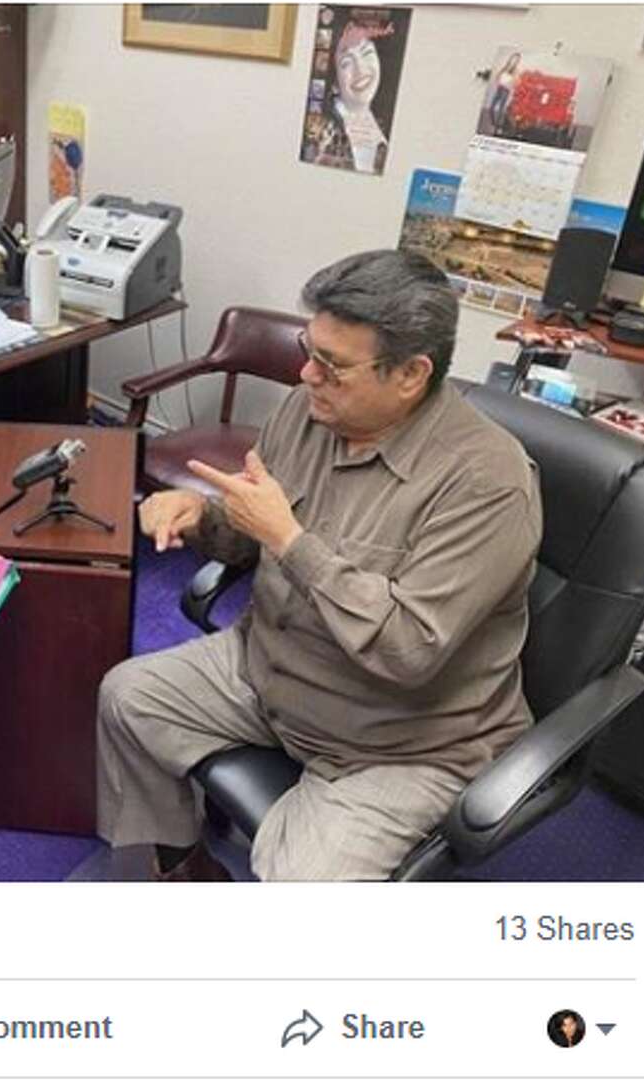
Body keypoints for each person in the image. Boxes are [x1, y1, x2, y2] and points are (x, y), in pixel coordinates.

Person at [97, 249, 541, 881]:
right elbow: (247, 536)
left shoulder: (489, 484)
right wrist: (201, 516)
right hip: (274, 668)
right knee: (128, 698)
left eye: (331, 365)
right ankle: (185, 865)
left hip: (399, 741)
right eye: (310, 349)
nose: (306, 374)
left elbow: (409, 651)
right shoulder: (307, 413)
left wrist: (291, 538)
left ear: (411, 374)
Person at [314, 21, 389, 172]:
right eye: (346, 63)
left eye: (367, 53)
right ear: (334, 82)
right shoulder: (326, 132)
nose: (361, 69)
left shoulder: (381, 124)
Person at [488, 52, 522, 136]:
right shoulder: (505, 67)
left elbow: (516, 83)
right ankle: (494, 124)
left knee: (500, 109)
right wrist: (499, 81)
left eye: (516, 60)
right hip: (500, 88)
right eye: (513, 58)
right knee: (491, 107)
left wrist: (510, 84)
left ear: (517, 61)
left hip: (505, 90)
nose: (514, 61)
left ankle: (497, 128)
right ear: (511, 58)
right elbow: (497, 76)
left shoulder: (515, 71)